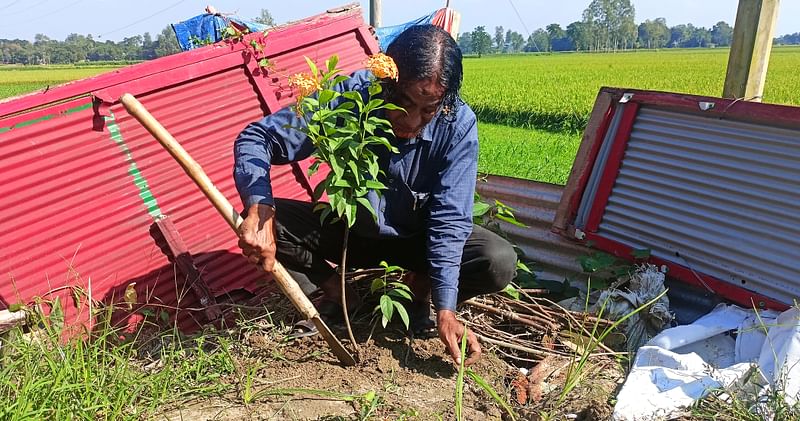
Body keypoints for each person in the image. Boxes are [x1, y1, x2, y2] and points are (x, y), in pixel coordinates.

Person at [233, 24, 517, 366]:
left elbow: (450, 220)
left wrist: (447, 308)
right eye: (404, 103)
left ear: (444, 101)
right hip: (351, 231)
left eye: (428, 110)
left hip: (416, 241)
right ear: (386, 81)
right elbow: (257, 139)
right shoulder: (349, 98)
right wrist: (260, 207)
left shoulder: (457, 125)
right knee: (263, 220)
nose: (412, 122)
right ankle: (337, 294)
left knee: (497, 259)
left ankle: (419, 292)